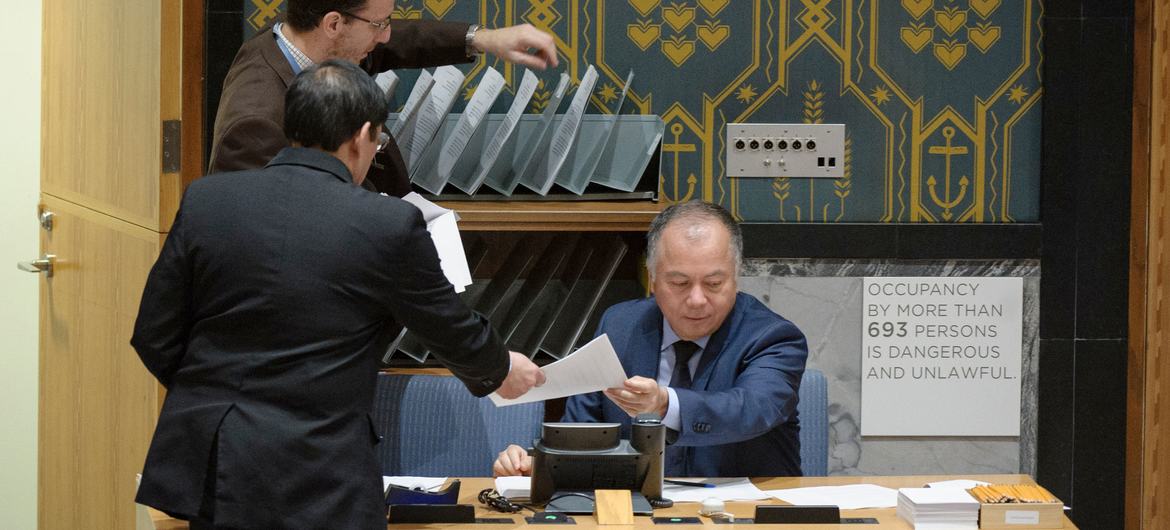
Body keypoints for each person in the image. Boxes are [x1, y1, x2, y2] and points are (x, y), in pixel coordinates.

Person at [132, 60, 546, 529]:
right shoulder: (386, 224)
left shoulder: (208, 201)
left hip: (217, 463)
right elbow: (446, 325)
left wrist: (213, 394)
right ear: (363, 135)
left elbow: (153, 334)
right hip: (321, 470)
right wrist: (500, 369)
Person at [493, 201, 808, 478]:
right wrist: (540, 466)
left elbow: (752, 409)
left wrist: (666, 404)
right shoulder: (620, 325)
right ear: (653, 278)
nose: (697, 299)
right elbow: (582, 435)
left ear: (736, 277)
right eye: (679, 282)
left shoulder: (773, 338)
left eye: (714, 283)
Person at [210, 0, 559, 195]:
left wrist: (485, 39)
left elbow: (400, 39)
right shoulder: (254, 121)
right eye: (380, 24)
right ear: (333, 24)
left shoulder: (308, 40)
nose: (386, 34)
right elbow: (259, 237)